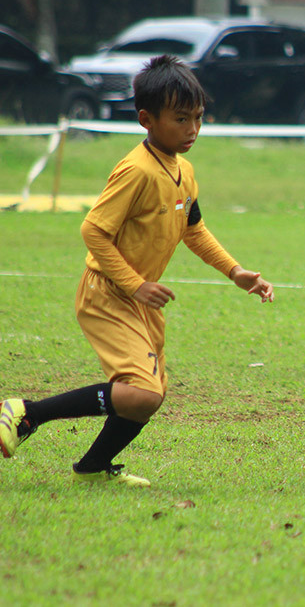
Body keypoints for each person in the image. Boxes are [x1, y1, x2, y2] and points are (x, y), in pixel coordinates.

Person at [0, 55, 274, 486]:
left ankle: (92, 470)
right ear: (147, 119)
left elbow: (194, 229)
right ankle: (27, 413)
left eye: (198, 118)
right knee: (141, 393)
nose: (192, 130)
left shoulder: (184, 170)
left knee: (150, 395)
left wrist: (234, 271)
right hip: (108, 293)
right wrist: (136, 284)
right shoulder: (136, 170)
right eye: (181, 119)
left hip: (141, 297)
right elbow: (93, 231)